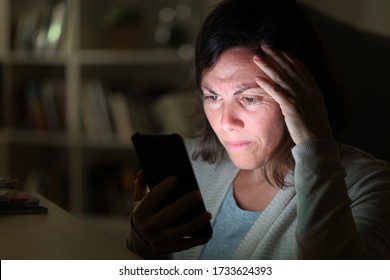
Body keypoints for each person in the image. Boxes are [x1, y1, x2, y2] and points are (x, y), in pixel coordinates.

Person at [127, 0, 390, 259]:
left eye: (250, 98)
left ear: (305, 94)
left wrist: (316, 146)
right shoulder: (194, 166)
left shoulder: (369, 186)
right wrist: (145, 248)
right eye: (213, 96)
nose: (226, 121)